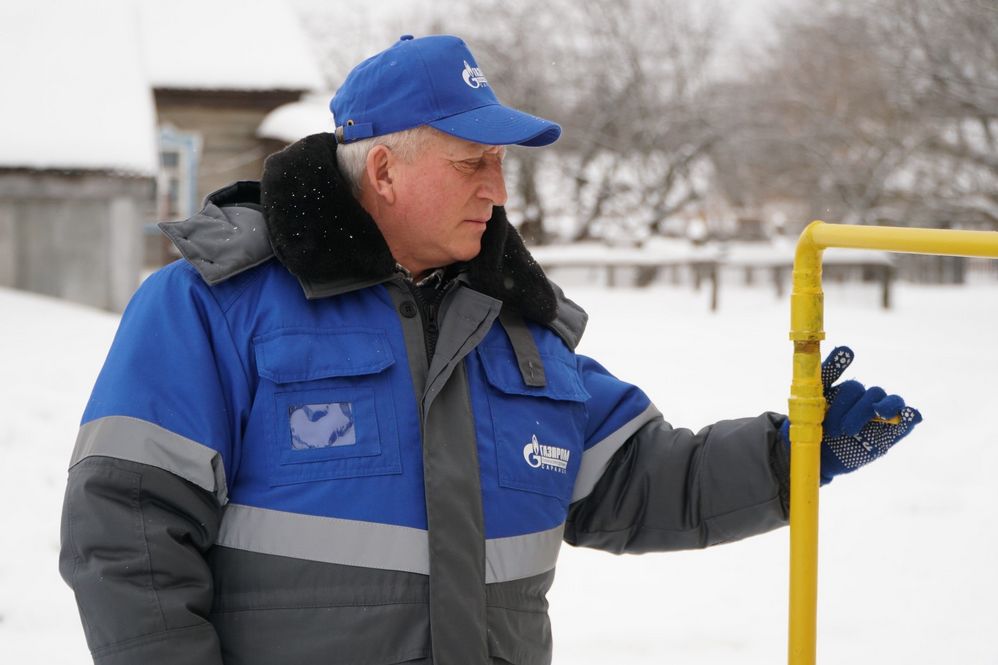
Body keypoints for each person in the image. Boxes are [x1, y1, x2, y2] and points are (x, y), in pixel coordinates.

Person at [59, 34, 922, 665]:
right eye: (473, 163)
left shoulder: (518, 332)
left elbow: (639, 480)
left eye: (501, 163)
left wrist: (791, 454)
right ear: (385, 170)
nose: (499, 190)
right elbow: (126, 534)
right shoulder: (214, 307)